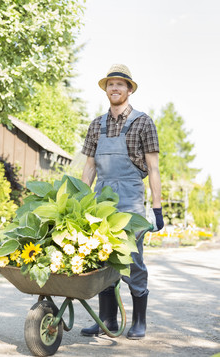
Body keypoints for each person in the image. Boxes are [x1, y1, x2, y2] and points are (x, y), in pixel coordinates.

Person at [80, 64, 164, 339]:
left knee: (131, 258)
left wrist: (157, 208)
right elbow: (90, 167)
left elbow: (153, 168)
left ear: (129, 89)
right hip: (102, 199)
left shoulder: (143, 122)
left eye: (120, 84)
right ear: (106, 89)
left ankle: (139, 320)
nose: (115, 88)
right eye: (110, 84)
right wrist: (81, 202)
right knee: (102, 257)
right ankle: (108, 320)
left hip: (130, 199)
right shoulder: (96, 125)